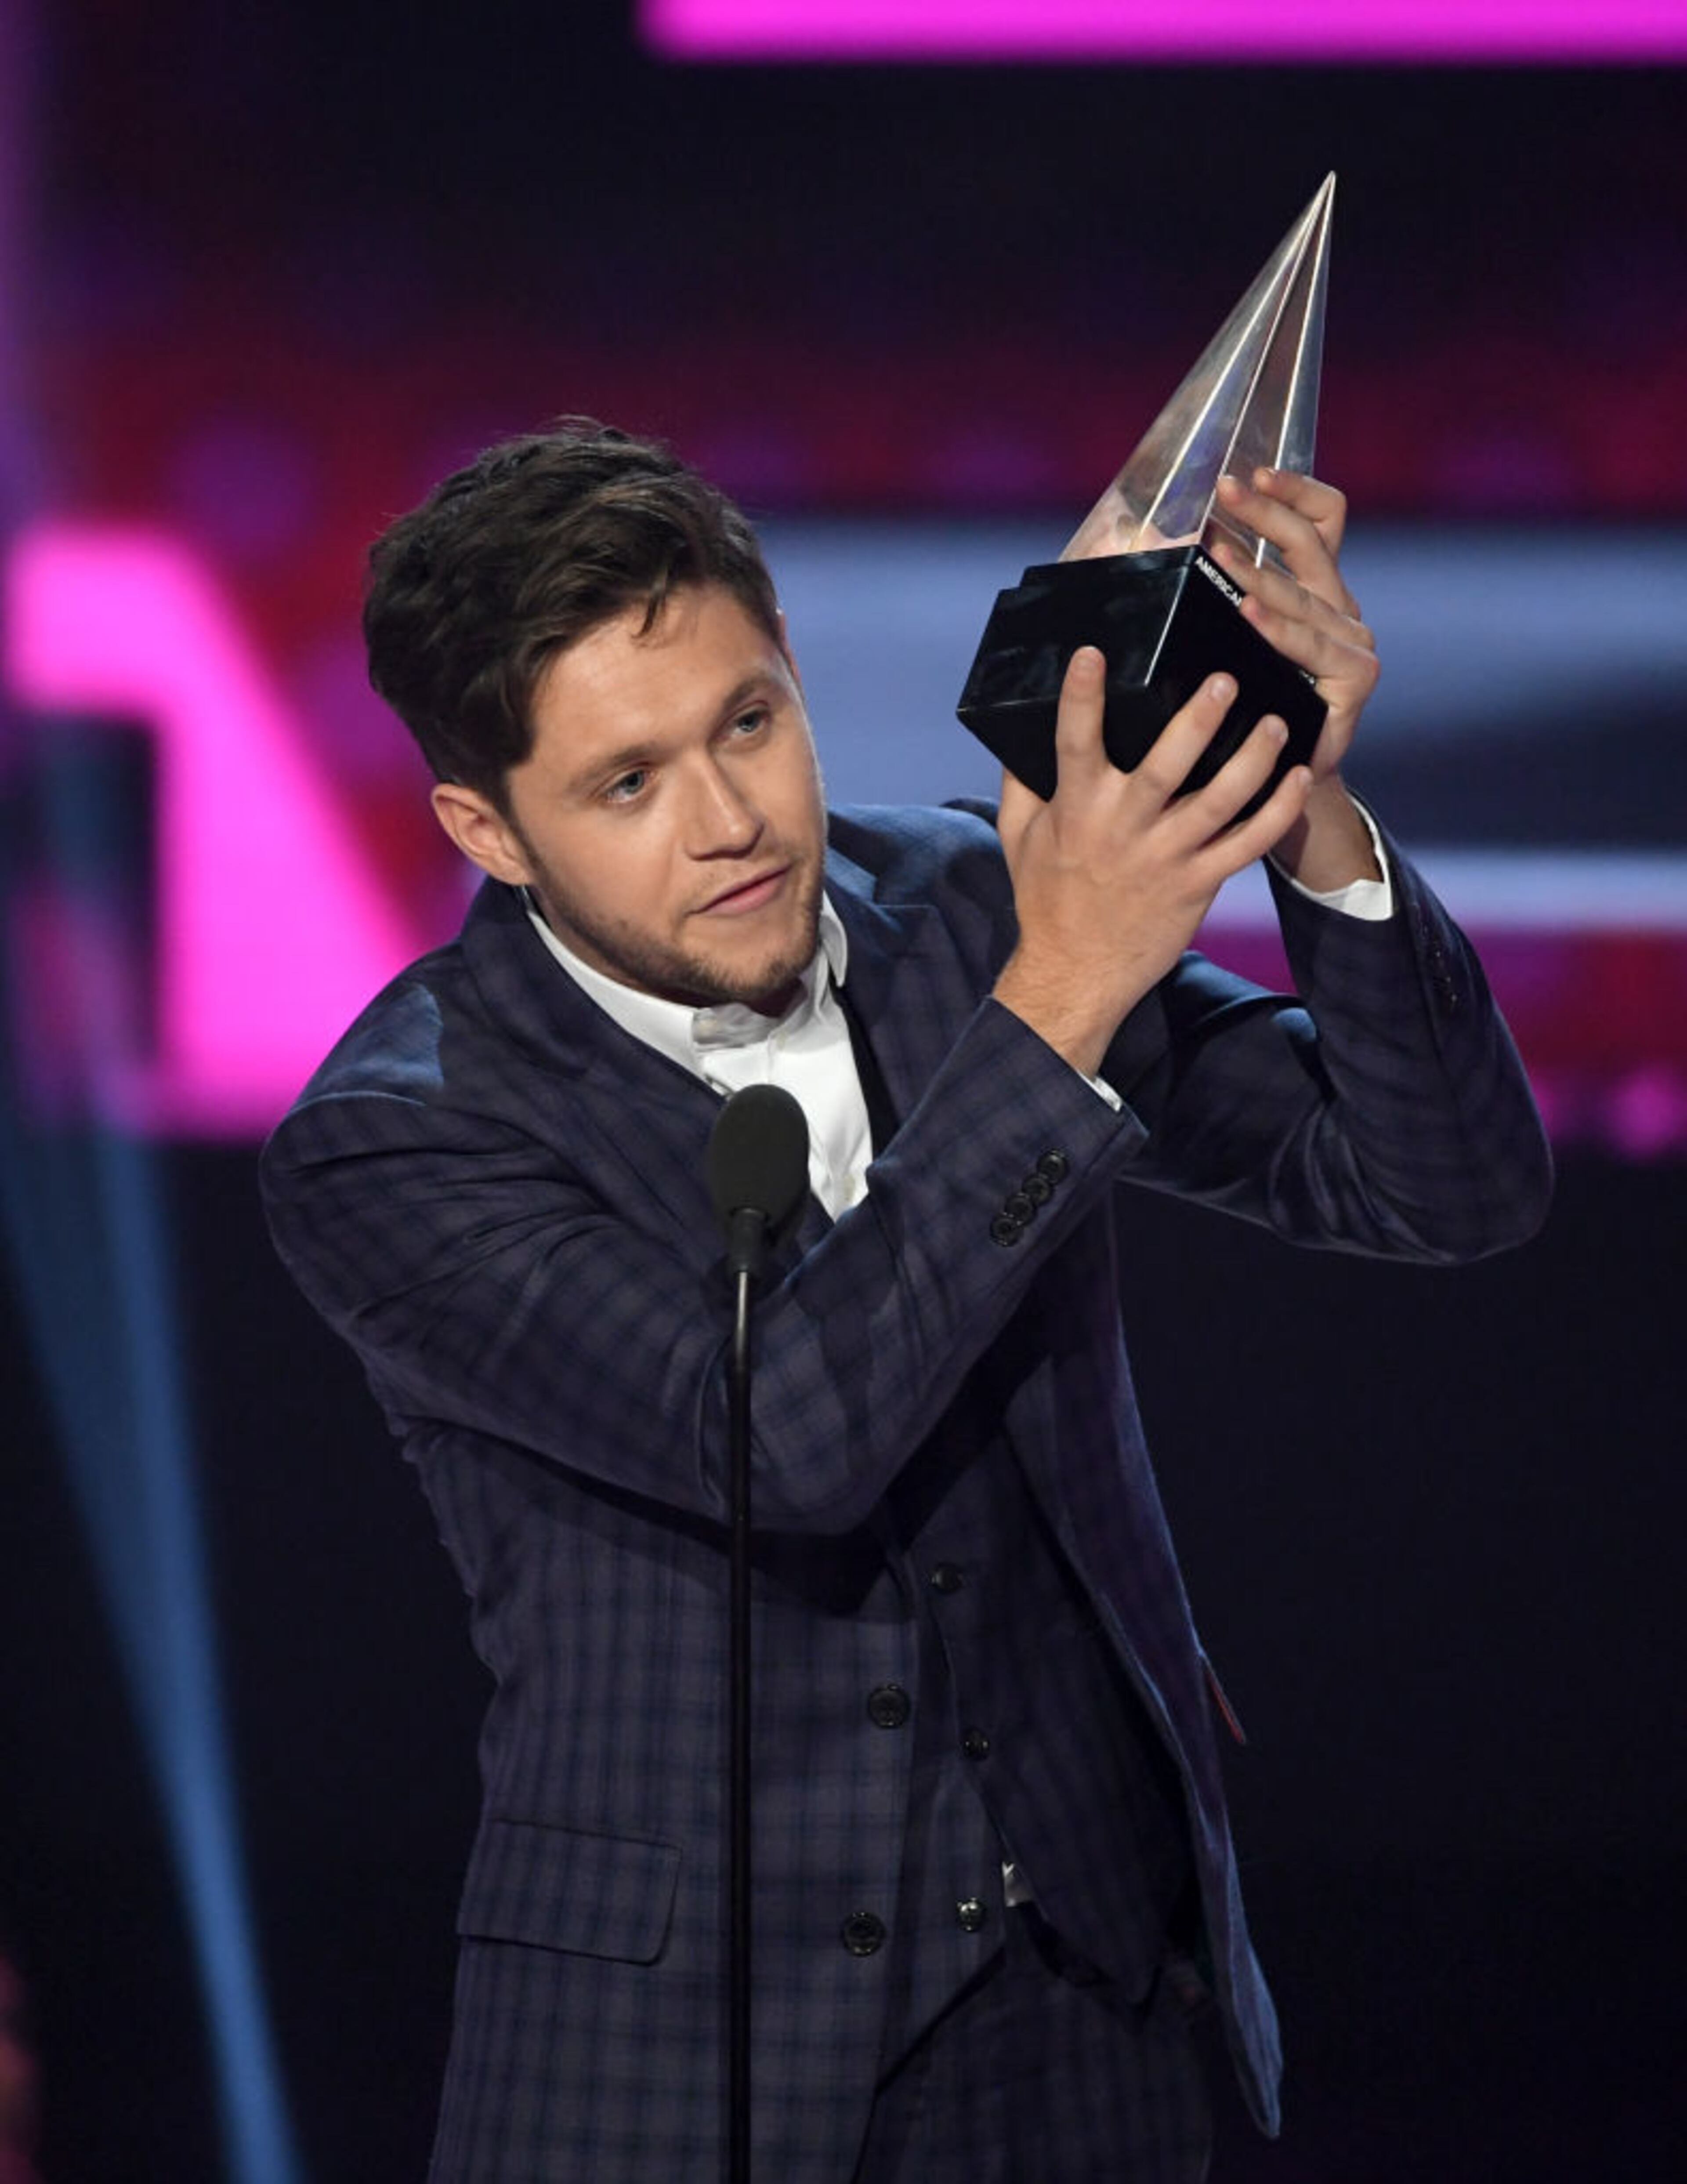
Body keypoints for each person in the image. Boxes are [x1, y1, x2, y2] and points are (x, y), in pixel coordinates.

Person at [261, 420, 1551, 2183]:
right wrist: (1067, 993)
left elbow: (1446, 1185)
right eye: (627, 784)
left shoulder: (959, 907)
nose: (729, 823)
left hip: (1097, 2027)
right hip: (690, 2070)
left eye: (747, 722)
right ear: (489, 830)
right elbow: (782, 1438)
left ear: (793, 671)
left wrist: (1306, 810)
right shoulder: (397, 1139)